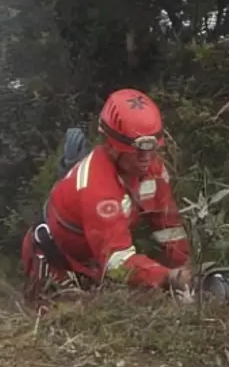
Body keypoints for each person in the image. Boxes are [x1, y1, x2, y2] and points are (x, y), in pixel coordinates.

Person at [21, 88, 193, 296]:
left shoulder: (153, 170)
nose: (146, 158)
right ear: (112, 147)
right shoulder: (96, 187)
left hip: (93, 260)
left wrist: (186, 268)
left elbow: (168, 226)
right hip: (56, 261)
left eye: (151, 149)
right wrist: (168, 277)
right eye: (137, 150)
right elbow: (117, 263)